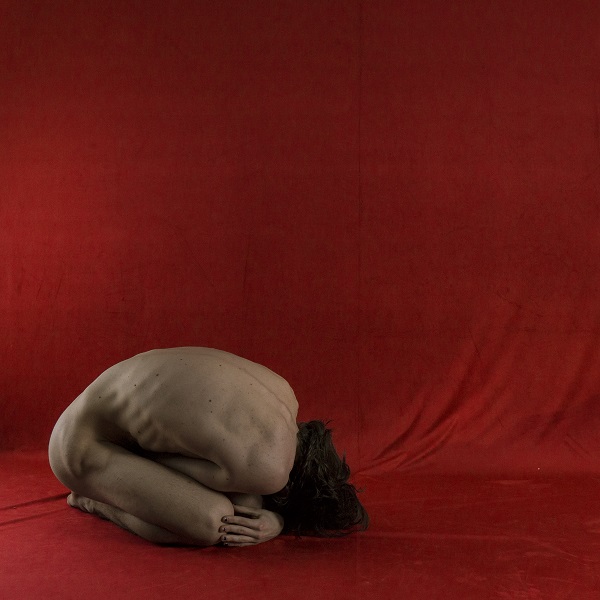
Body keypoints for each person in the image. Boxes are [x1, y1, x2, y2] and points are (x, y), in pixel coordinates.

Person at [48, 347, 368, 547]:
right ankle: (93, 501)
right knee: (214, 523)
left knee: (246, 500)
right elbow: (158, 461)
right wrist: (280, 523)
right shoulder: (271, 468)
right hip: (80, 449)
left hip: (92, 410)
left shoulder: (284, 393)